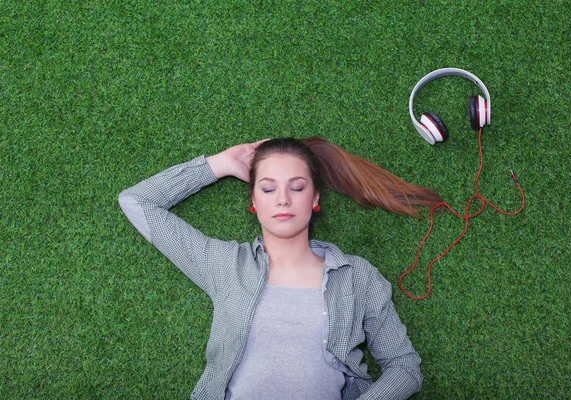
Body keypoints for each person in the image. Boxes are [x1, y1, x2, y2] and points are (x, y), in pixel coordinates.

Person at [118, 137, 441, 400]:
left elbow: (404, 367)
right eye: (268, 188)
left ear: (315, 197)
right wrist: (222, 163)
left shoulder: (357, 277)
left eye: (297, 187)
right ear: (254, 201)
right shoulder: (226, 265)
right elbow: (136, 201)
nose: (283, 199)